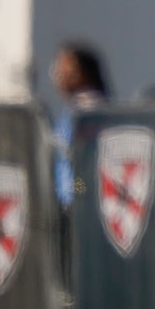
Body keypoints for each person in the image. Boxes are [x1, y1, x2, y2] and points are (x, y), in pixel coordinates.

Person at [51, 42, 110, 209]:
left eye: (66, 69)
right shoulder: (72, 111)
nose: (59, 75)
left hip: (80, 206)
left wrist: (77, 194)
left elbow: (84, 169)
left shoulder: (90, 112)